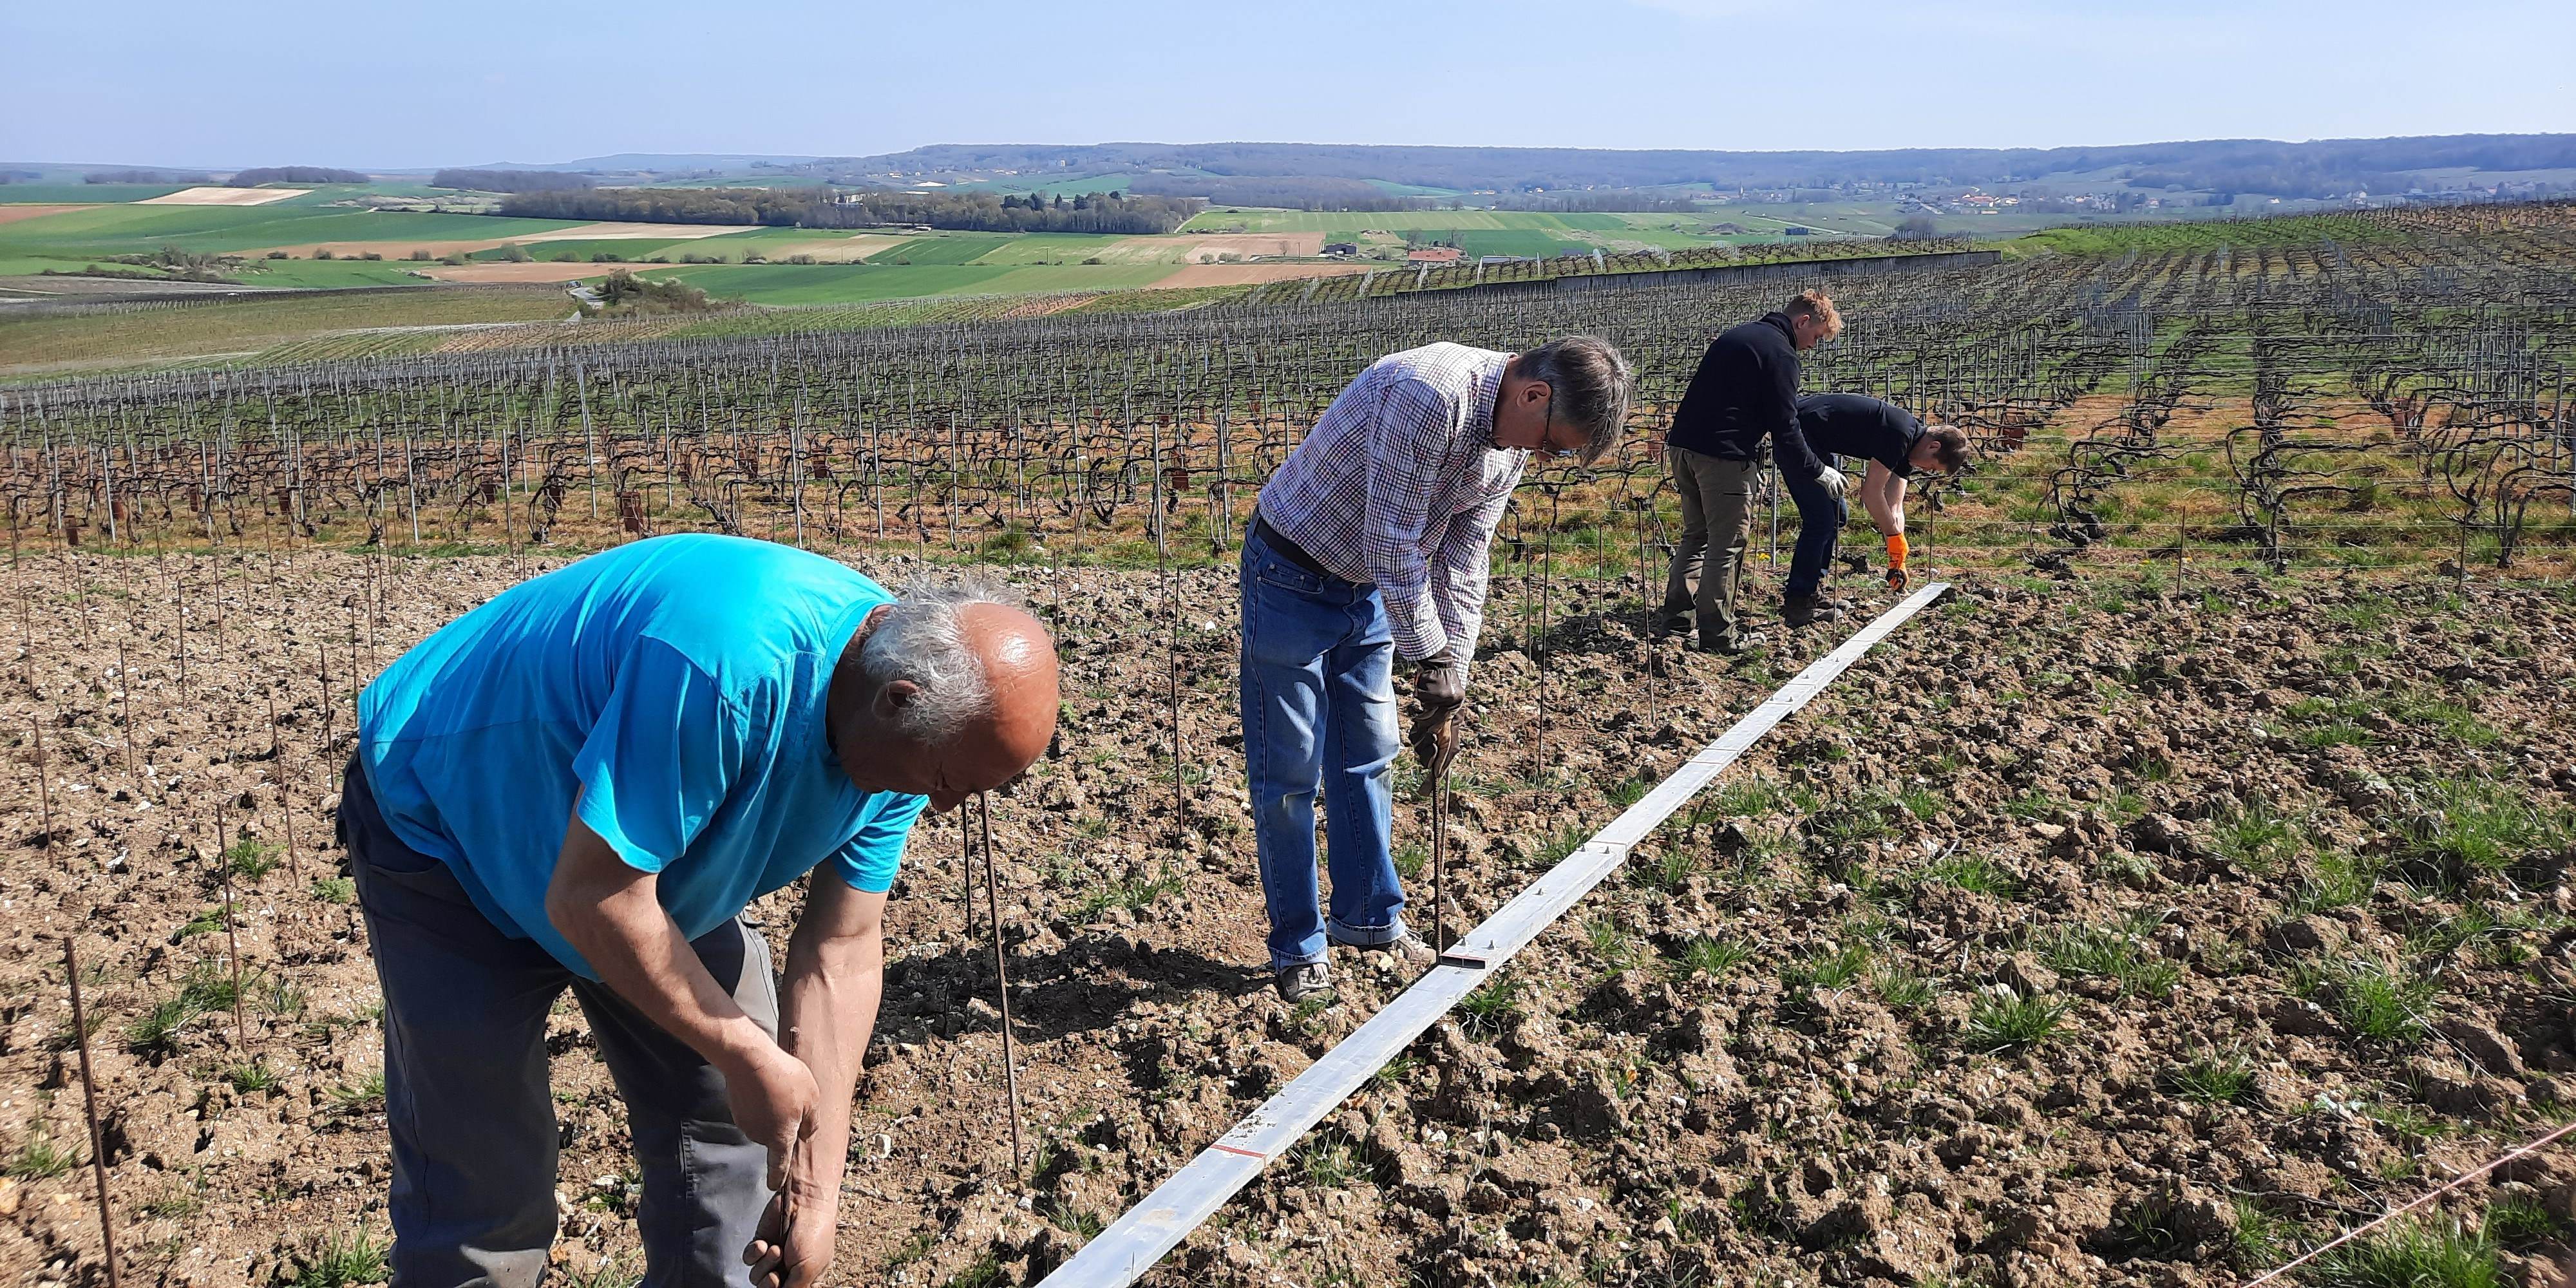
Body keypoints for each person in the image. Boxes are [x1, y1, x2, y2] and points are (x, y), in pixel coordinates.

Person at [341, 534, 1059, 1288]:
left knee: (735, 1127)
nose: (941, 803)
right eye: (945, 778)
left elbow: (841, 949)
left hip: (639, 858)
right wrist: (746, 1050)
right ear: (898, 700)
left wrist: (815, 1188)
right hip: (455, 827)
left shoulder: (900, 742)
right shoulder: (729, 666)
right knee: (485, 1188)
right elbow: (593, 896)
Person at [1244, 337, 1632, 1001]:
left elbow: (1464, 554)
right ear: (1532, 394)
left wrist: (1453, 667)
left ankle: (1368, 919)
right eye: (1552, 444)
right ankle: (1298, 947)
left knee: (1367, 753)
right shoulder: (1431, 394)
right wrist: (1428, 656)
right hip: (1290, 573)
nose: (1544, 458)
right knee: (1289, 771)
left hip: (1368, 590)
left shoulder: (1504, 446)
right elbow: (1390, 536)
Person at [1654, 289, 1846, 653]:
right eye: (1817, 337)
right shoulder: (1781, 353)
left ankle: (1677, 623)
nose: (1813, 346)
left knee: (1696, 536)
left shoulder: (1738, 335)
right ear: (1803, 321)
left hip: (1682, 448)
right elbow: (1785, 425)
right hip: (1722, 458)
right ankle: (1718, 635)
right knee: (1727, 545)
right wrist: (1816, 470)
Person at [1779, 393, 1971, 623]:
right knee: (1820, 521)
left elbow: (1895, 506)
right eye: (1931, 466)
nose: (1926, 470)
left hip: (1817, 442)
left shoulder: (1910, 444)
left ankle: (1811, 589)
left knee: (1837, 516)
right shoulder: (1899, 435)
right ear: (1933, 446)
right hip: (1796, 434)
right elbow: (1870, 493)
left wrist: (1898, 556)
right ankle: (1799, 601)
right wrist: (1891, 534)